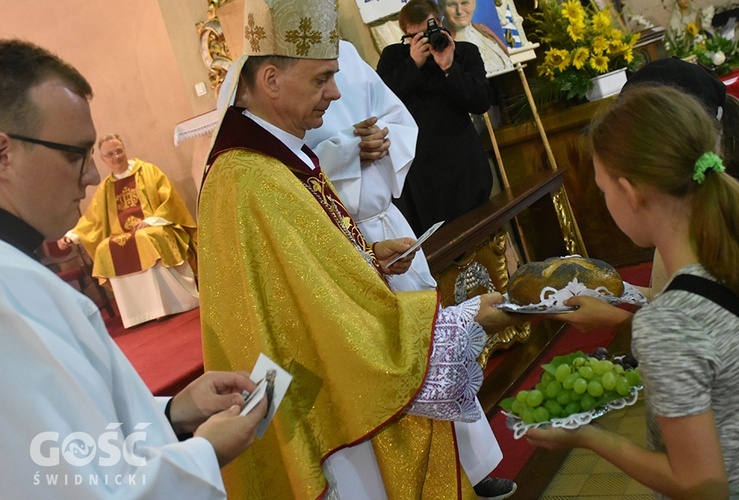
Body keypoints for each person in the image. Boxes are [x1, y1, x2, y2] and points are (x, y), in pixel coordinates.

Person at [198, 0, 522, 498]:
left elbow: (308, 273)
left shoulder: (279, 152)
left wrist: (368, 258)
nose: (336, 92)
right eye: (321, 80)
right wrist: (460, 321)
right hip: (325, 393)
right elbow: (312, 318)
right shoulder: (249, 181)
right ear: (270, 80)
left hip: (340, 368)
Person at [0, 38, 268, 498]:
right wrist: (205, 455)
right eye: (74, 155)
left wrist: (173, 413)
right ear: (4, 153)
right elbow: (69, 485)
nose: (91, 176)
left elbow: (77, 430)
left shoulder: (18, 271)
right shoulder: (11, 292)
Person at [306, 39, 516, 499]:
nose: (332, 90)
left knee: (430, 337)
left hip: (385, 219)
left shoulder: (345, 51)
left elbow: (400, 117)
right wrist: (347, 152)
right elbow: (290, 166)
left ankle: (474, 467)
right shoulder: (269, 78)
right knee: (391, 355)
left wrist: (382, 141)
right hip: (338, 233)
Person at [527, 85, 739, 498]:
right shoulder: (736, 251)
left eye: (602, 188)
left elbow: (702, 487)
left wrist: (588, 437)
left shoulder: (667, 322)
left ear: (630, 192)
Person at [549, 57, 739, 333]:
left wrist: (618, 322)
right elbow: (676, 300)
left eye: (605, 189)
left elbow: (694, 330)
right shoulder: (707, 203)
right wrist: (615, 293)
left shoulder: (707, 226)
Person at [377, 0, 495, 236]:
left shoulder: (465, 52)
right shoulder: (394, 57)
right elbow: (380, 103)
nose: (427, 41)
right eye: (416, 36)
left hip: (465, 165)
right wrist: (413, 65)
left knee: (483, 238)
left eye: (429, 33)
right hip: (421, 172)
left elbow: (481, 101)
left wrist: (449, 67)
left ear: (441, 24)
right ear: (406, 35)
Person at [58, 134, 199, 328]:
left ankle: (167, 304)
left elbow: (170, 201)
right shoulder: (106, 188)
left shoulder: (148, 171)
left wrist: (151, 220)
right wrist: (71, 236)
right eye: (110, 154)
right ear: (103, 159)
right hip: (126, 234)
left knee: (143, 238)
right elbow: (92, 219)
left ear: (124, 149)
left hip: (157, 227)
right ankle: (140, 312)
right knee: (105, 248)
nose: (116, 157)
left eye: (119, 151)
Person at [439, 0, 514, 77]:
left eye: (464, 3)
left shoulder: (483, 30)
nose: (459, 11)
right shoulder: (443, 44)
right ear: (442, 8)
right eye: (451, 5)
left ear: (474, 4)